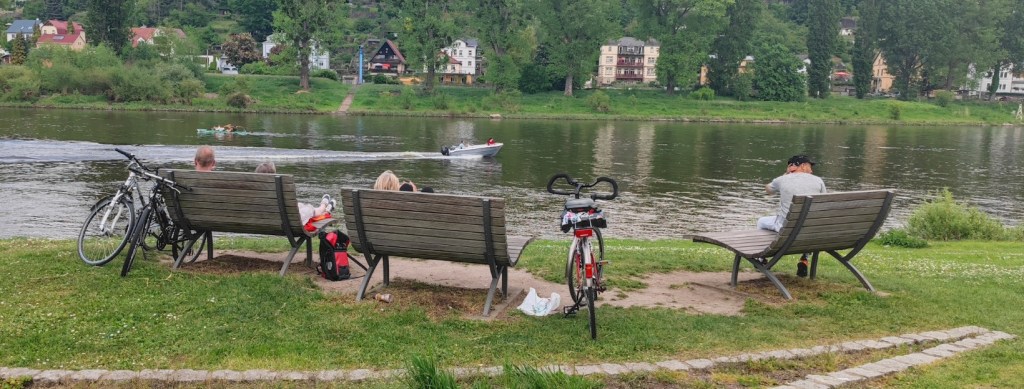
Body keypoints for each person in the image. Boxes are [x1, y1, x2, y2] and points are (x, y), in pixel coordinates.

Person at [757, 155, 826, 277]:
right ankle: (804, 259)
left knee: (761, 222)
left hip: (786, 228)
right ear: (803, 166)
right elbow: (824, 201)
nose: (811, 170)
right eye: (810, 166)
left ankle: (762, 259)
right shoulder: (818, 181)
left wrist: (785, 174)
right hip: (810, 230)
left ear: (791, 167)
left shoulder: (782, 180)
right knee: (806, 223)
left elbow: (768, 190)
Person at [253, 161, 335, 227]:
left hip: (264, 221)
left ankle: (326, 208)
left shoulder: (254, 192)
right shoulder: (278, 189)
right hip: (287, 222)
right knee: (309, 210)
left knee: (300, 206)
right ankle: (324, 206)